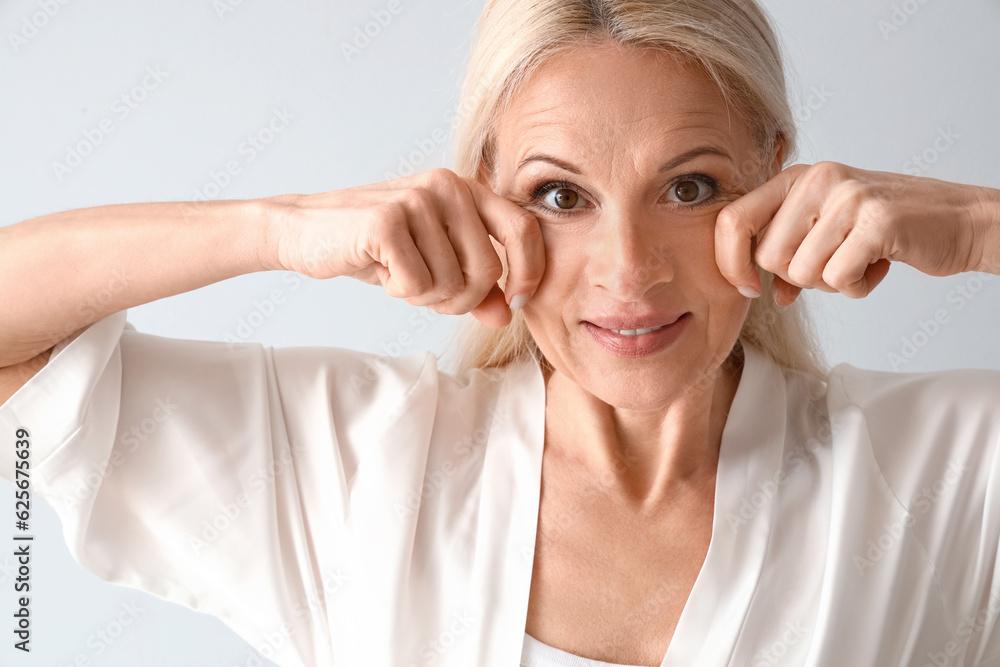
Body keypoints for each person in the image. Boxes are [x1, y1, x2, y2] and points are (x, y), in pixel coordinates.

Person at [2, 0, 999, 665]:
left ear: (774, 174)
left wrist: (975, 226)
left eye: (689, 187)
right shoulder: (355, 464)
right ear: (484, 196)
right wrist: (282, 226)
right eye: (560, 194)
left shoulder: (943, 471)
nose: (629, 269)